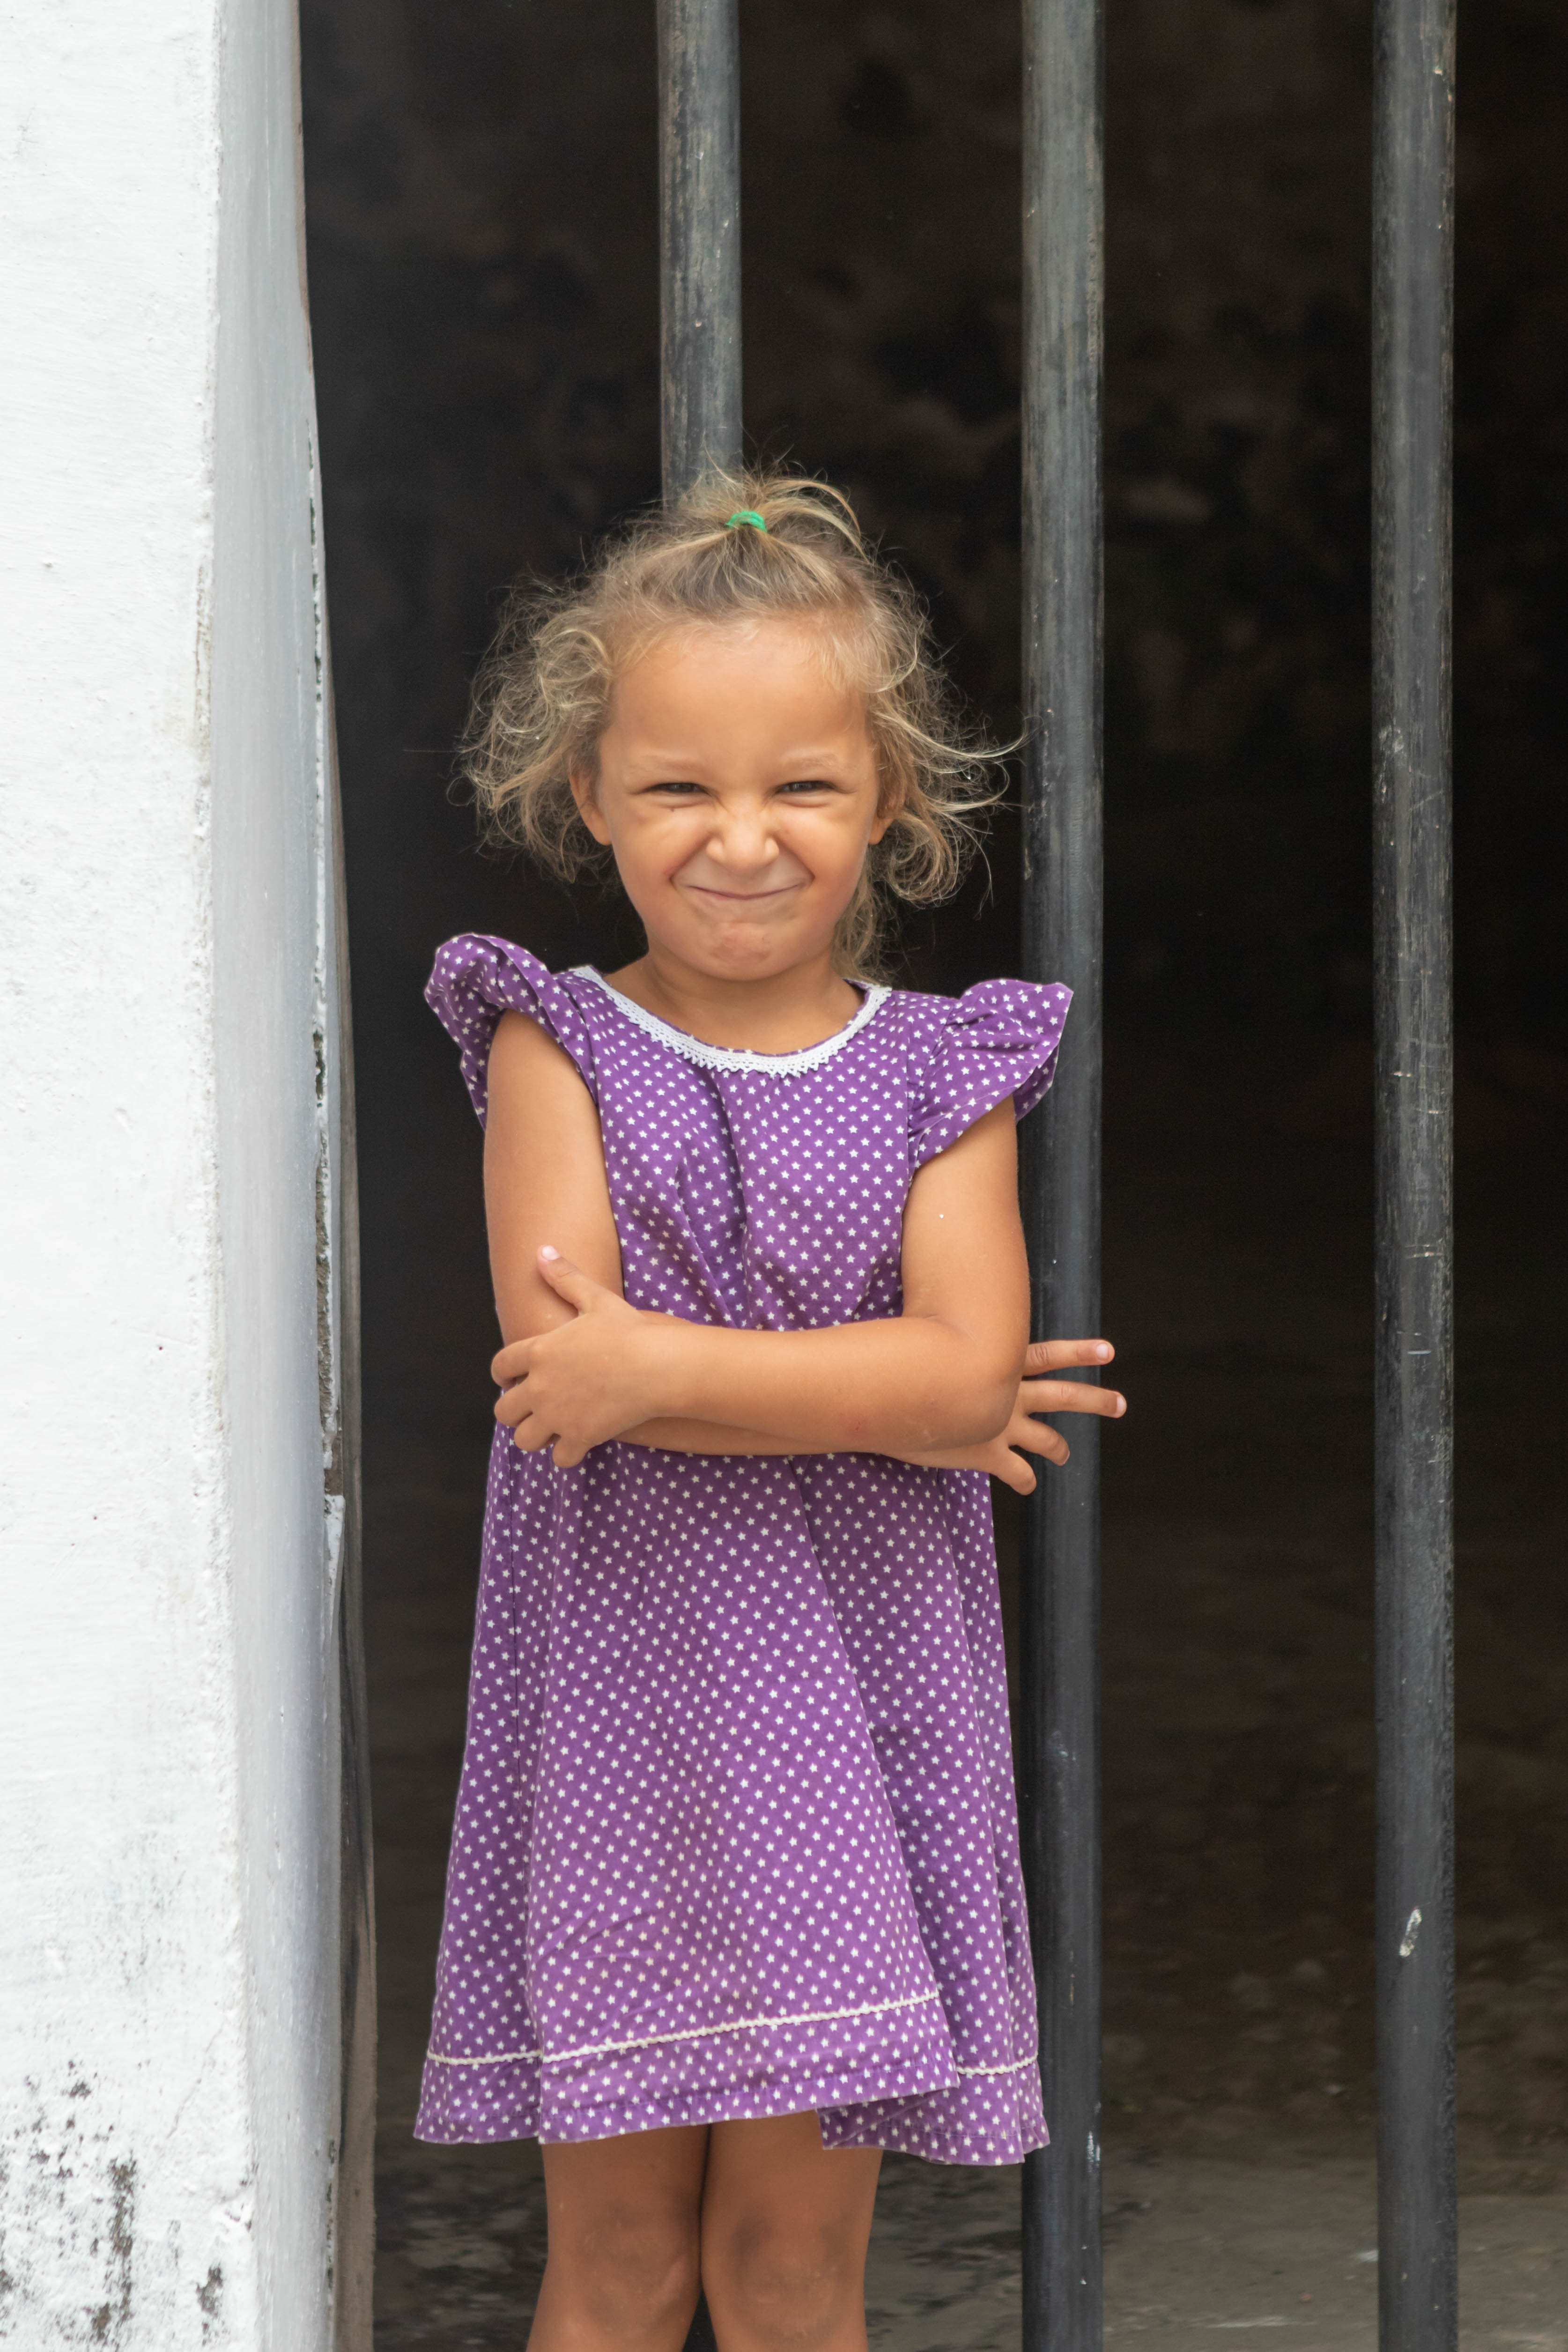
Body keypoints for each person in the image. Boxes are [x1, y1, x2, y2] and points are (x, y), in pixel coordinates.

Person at [417, 470, 1125, 2352]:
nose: (742, 839)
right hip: (620, 1729)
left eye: (802, 785)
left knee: (795, 2276)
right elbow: (567, 1383)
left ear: (887, 796)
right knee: (622, 2266)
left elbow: (961, 1372)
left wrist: (686, 1369)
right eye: (677, 788)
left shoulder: (944, 1069)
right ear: (589, 795)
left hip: (852, 1739)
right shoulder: (549, 1040)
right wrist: (881, 1399)